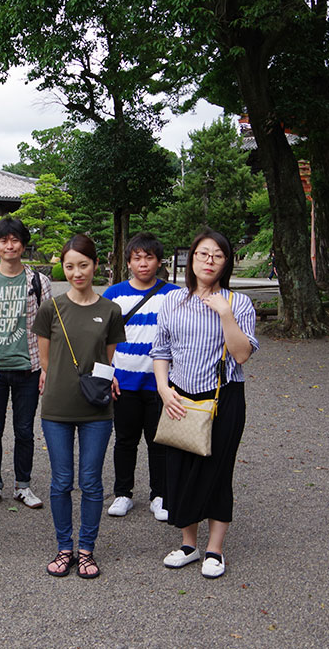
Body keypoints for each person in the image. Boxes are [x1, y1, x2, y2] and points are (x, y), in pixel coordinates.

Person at [152, 229, 258, 579]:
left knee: (217, 470)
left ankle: (215, 550)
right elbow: (161, 351)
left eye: (217, 255)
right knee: (179, 468)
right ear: (191, 259)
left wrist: (225, 313)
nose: (209, 261)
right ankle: (188, 543)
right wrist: (164, 390)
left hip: (223, 398)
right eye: (202, 254)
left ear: (226, 262)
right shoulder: (173, 300)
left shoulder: (238, 303)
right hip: (179, 395)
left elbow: (241, 354)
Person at [32, 234, 125, 579]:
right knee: (60, 481)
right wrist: (49, 376)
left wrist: (106, 379)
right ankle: (63, 547)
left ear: (95, 265)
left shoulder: (110, 310)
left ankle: (86, 549)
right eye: (69, 266)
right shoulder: (51, 307)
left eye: (83, 265)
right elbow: (44, 358)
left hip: (97, 408)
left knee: (91, 480)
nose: (76, 272)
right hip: (56, 406)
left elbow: (107, 358)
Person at [0, 216, 51, 511]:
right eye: (3, 240)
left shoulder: (38, 281)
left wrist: (45, 367)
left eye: (15, 239)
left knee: (25, 430)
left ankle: (23, 485)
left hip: (27, 367)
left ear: (23, 244)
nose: (10, 245)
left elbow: (47, 327)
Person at [102, 232, 179, 521]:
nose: (143, 264)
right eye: (137, 258)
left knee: (159, 440)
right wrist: (107, 374)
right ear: (129, 262)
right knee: (125, 440)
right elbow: (103, 338)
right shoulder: (114, 294)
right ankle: (123, 493)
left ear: (159, 261)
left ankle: (160, 494)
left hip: (160, 383)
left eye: (149, 258)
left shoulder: (173, 294)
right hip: (124, 380)